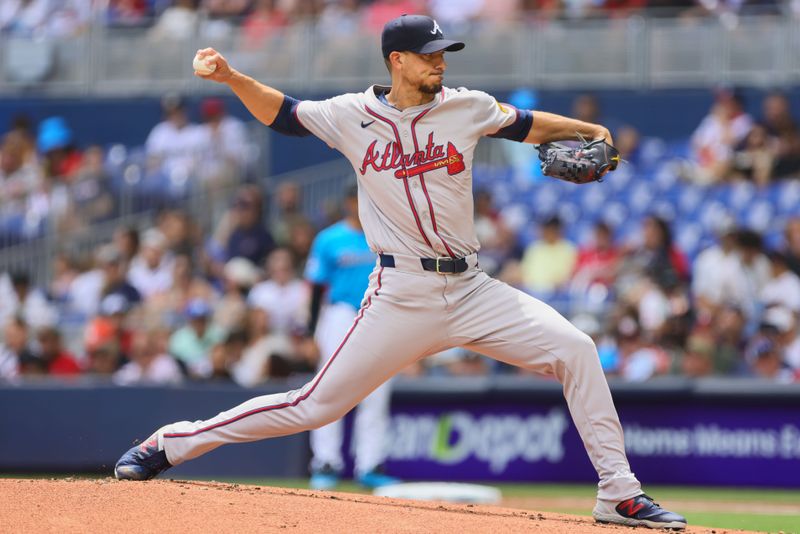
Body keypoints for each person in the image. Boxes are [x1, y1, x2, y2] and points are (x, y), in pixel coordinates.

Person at [114, 15, 686, 530]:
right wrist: (234, 75)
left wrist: (592, 134)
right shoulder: (349, 115)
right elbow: (283, 113)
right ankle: (171, 443)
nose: (441, 61)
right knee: (315, 406)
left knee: (577, 348)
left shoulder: (467, 106)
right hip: (400, 293)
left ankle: (619, 493)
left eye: (444, 52)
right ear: (398, 61)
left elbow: (533, 126)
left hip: (472, 288)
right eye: (430, 53)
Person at [305, 185, 399, 490]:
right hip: (340, 314)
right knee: (330, 387)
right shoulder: (329, 238)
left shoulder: (388, 234)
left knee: (377, 391)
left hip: (380, 315)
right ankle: (326, 461)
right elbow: (316, 287)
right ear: (348, 201)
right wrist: (309, 332)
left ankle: (370, 464)